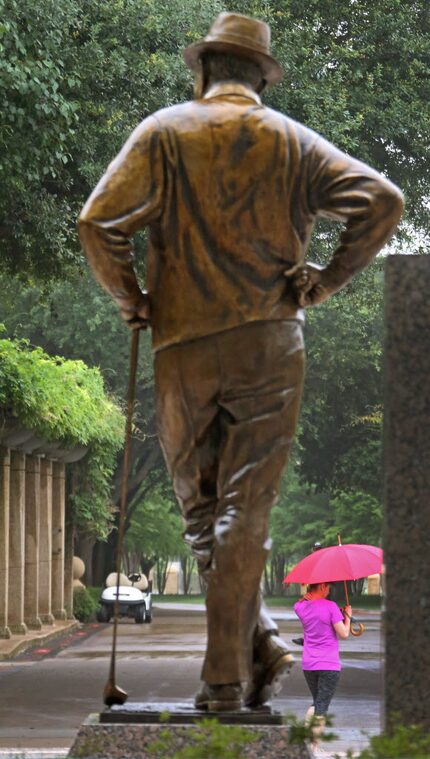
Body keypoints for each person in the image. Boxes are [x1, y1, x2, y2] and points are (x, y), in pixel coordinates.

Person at [77, 12, 403, 712]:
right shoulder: (289, 140)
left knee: (205, 515)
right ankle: (257, 641)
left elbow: (95, 222)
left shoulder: (165, 132)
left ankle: (223, 681)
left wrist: (132, 296)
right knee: (238, 512)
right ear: (261, 77)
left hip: (182, 343)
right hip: (269, 344)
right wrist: (326, 280)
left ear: (201, 72)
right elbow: (383, 200)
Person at [294, 583, 351, 746]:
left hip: (309, 665)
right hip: (329, 665)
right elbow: (344, 633)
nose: (329, 590)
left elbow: (299, 605)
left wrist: (304, 599)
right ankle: (311, 746)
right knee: (321, 707)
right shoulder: (331, 607)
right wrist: (347, 616)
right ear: (322, 586)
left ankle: (310, 744)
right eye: (328, 587)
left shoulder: (299, 606)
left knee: (317, 701)